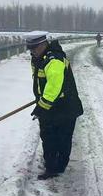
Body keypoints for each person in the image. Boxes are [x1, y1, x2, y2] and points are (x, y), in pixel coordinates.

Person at [25, 31, 84, 180]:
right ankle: (51, 166)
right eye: (30, 48)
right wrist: (40, 98)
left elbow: (54, 87)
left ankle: (57, 168)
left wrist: (41, 106)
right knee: (48, 136)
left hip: (65, 107)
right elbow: (40, 82)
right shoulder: (37, 58)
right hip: (50, 105)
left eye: (35, 48)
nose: (32, 51)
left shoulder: (55, 60)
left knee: (62, 138)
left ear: (44, 44)